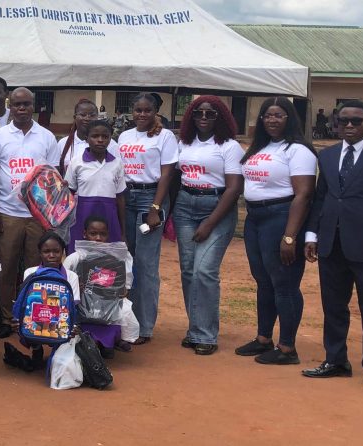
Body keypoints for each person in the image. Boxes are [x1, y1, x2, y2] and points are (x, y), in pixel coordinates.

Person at [303, 100, 363, 397]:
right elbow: (321, 198)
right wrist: (312, 235)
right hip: (332, 244)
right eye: (344, 121)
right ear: (336, 124)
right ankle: (336, 360)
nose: (350, 126)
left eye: (356, 121)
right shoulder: (327, 156)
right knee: (334, 308)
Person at [235, 97, 316, 365]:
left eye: (279, 115)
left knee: (285, 284)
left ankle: (288, 348)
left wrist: (290, 235)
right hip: (255, 217)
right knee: (264, 280)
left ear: (290, 118)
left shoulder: (297, 150)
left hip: (281, 217)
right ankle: (263, 338)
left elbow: (304, 195)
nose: (272, 120)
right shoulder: (259, 147)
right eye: (268, 115)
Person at [174, 95, 243, 356]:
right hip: (184, 205)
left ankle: (206, 334)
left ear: (221, 117)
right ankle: (195, 329)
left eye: (210, 114)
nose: (203, 118)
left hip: (217, 208)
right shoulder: (185, 143)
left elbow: (235, 187)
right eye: (198, 113)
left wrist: (210, 222)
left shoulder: (229, 146)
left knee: (205, 271)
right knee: (189, 270)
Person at [0, 87, 60, 339]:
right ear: (10, 106)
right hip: (8, 212)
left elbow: (53, 179)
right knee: (6, 268)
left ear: (34, 106)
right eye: (17, 104)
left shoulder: (47, 137)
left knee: (33, 269)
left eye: (26, 104)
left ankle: (29, 318)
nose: (21, 108)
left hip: (38, 216)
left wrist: (49, 215)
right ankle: (7, 318)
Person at [116, 93, 178, 344]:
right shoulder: (124, 136)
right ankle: (125, 321)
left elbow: (167, 174)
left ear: (156, 111)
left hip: (150, 198)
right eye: (138, 110)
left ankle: (144, 326)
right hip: (126, 197)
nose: (142, 114)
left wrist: (155, 207)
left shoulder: (165, 137)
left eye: (147, 110)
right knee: (125, 261)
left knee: (146, 265)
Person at [62, 216, 139, 351]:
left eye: (102, 234)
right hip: (80, 303)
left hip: (107, 303)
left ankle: (112, 340)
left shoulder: (115, 258)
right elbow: (64, 283)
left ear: (107, 235)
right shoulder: (75, 258)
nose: (98, 238)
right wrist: (75, 288)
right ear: (84, 234)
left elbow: (125, 282)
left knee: (125, 310)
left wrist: (124, 289)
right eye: (93, 234)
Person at [17, 231, 80, 369]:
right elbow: (25, 303)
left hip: (61, 320)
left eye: (56, 251)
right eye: (46, 251)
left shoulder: (72, 276)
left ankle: (57, 350)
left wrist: (72, 327)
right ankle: (36, 347)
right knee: (25, 319)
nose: (51, 255)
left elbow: (73, 306)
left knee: (68, 328)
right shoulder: (30, 273)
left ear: (63, 252)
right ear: (40, 253)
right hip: (36, 320)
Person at [65, 119, 126, 251]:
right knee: (80, 256)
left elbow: (120, 198)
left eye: (105, 136)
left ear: (110, 139)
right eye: (95, 136)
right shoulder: (76, 162)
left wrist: (123, 230)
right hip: (82, 214)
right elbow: (68, 194)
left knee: (109, 257)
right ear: (87, 138)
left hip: (109, 215)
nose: (100, 140)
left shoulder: (117, 163)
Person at [58, 99, 121, 172]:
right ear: (75, 117)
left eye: (92, 115)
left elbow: (117, 171)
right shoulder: (63, 144)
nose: (87, 118)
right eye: (83, 115)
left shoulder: (110, 144)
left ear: (97, 117)